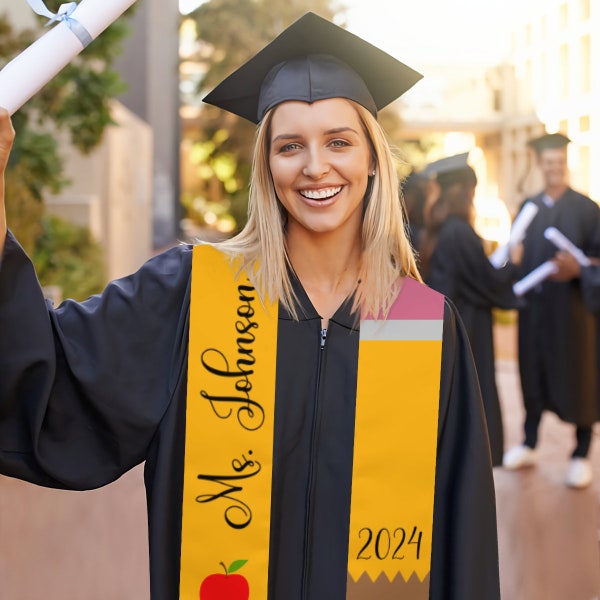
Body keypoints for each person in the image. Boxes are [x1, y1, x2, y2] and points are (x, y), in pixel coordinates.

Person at [0, 12, 500, 599]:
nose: (316, 166)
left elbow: (463, 538)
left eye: (339, 141)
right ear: (266, 166)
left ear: (372, 159)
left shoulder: (422, 322)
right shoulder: (191, 293)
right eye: (291, 146)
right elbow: (50, 379)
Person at [503, 132, 600, 489]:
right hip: (536, 312)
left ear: (566, 164)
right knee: (533, 372)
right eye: (548, 163)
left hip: (575, 314)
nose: (554, 167)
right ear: (540, 166)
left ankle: (580, 453)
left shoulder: (587, 208)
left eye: (559, 162)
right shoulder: (528, 208)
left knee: (581, 376)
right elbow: (514, 257)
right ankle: (529, 443)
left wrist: (580, 269)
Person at [424, 153, 521, 466]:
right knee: (474, 391)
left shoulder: (434, 230)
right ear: (463, 193)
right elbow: (486, 280)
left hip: (447, 321)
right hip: (468, 325)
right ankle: (475, 459)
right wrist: (513, 264)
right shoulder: (459, 232)